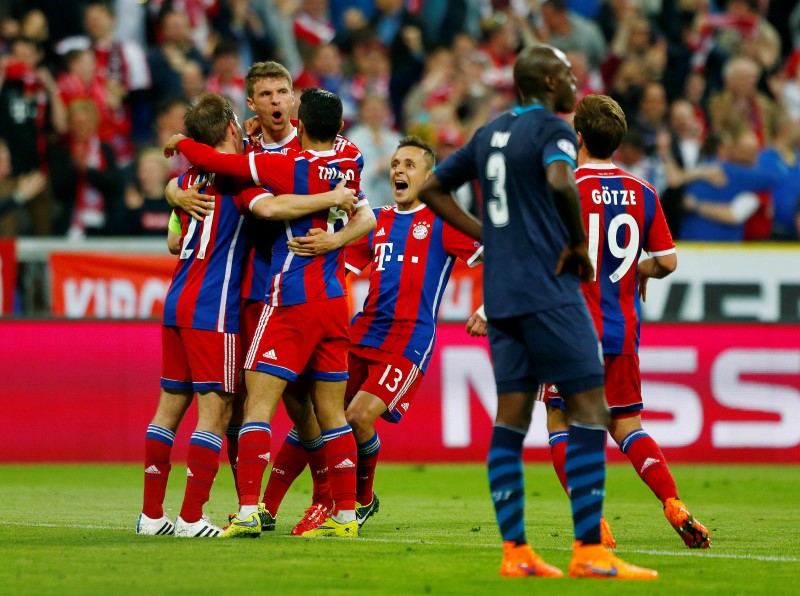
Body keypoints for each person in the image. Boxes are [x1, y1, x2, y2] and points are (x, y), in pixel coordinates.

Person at [418, 45, 657, 580]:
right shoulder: (551, 129)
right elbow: (558, 180)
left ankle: (516, 552)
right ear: (548, 80)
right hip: (550, 292)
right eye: (569, 73)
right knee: (592, 409)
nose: (576, 80)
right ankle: (591, 550)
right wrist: (576, 244)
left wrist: (490, 236)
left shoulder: (488, 133)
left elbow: (432, 188)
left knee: (511, 419)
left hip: (502, 294)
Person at [139, 92, 358, 537]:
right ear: (234, 127)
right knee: (218, 412)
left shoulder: (190, 180)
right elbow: (272, 207)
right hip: (215, 305)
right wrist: (329, 197)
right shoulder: (240, 179)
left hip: (177, 297)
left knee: (167, 411)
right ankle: (192, 517)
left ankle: (151, 515)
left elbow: (171, 242)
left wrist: (174, 181)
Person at [259, 135, 483, 534]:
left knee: (357, 417)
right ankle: (267, 507)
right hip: (362, 333)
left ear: (430, 176)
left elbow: (498, 255)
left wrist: (488, 308)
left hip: (410, 339)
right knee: (315, 416)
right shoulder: (374, 221)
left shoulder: (444, 222)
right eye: (396, 164)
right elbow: (340, 271)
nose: (399, 170)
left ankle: (355, 501)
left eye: (410, 165)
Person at [543, 93, 711, 550]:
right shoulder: (643, 191)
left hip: (572, 332)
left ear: (577, 137)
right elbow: (668, 261)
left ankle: (593, 523)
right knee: (627, 425)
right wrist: (638, 270)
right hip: (621, 332)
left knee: (560, 422)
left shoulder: (563, 188)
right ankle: (672, 502)